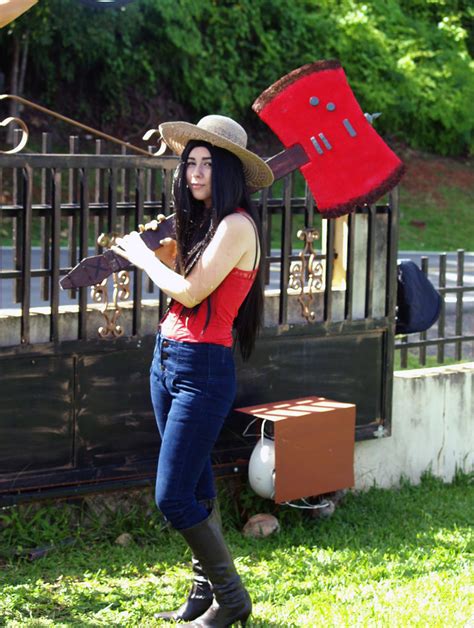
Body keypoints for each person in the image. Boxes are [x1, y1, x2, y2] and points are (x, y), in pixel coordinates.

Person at [112, 115, 274, 627]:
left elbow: (190, 291)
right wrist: (162, 251)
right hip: (167, 359)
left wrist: (142, 257)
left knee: (173, 496)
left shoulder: (236, 225)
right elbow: (184, 284)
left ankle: (232, 599)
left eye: (207, 164)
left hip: (203, 369)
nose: (194, 173)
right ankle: (204, 594)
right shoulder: (204, 221)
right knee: (197, 485)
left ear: (227, 171)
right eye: (190, 164)